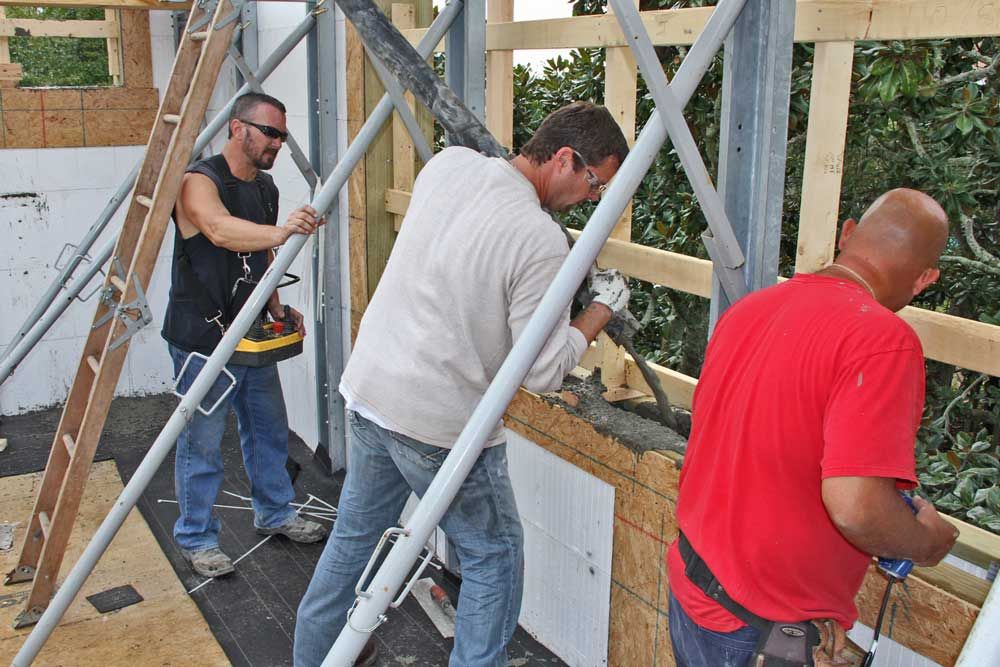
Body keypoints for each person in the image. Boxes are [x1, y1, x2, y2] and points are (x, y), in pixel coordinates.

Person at [294, 102, 631, 667]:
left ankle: (312, 659)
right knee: (493, 558)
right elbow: (544, 370)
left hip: (374, 393)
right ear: (566, 159)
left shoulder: (449, 166)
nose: (593, 199)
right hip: (438, 425)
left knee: (353, 542)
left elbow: (470, 258)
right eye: (594, 183)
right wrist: (599, 309)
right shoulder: (541, 238)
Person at [666, 188, 960, 666]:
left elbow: (763, 452)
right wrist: (926, 542)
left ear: (847, 234)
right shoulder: (881, 341)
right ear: (926, 278)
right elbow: (856, 508)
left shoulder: (751, 310)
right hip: (752, 632)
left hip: (696, 591)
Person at [162, 92, 328, 578]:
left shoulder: (265, 188)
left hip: (249, 335)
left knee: (269, 429)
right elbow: (218, 230)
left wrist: (277, 309)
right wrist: (283, 234)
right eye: (270, 132)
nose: (278, 142)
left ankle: (275, 513)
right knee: (203, 442)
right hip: (201, 336)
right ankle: (196, 538)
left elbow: (260, 261)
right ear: (239, 129)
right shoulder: (198, 181)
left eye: (282, 134)